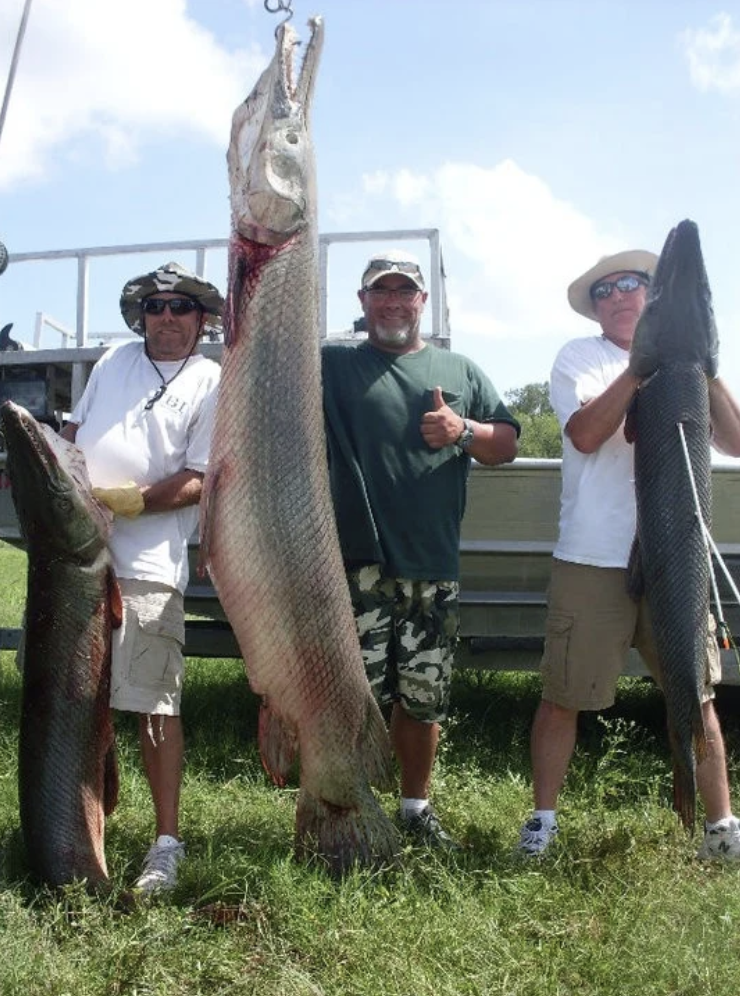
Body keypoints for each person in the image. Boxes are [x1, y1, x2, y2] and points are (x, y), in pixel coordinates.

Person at [517, 249, 740, 860]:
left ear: (651, 295)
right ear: (595, 308)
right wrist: (640, 371)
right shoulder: (580, 358)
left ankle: (720, 828)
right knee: (564, 695)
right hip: (592, 559)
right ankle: (542, 825)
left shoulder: (692, 366)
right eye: (604, 290)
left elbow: (735, 440)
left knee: (697, 694)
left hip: (680, 559)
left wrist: (707, 369)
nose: (617, 295)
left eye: (630, 284)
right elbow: (587, 434)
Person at [322, 249, 520, 848]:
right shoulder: (331, 364)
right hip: (354, 567)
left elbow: (506, 444)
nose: (392, 302)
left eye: (404, 291)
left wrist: (464, 431)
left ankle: (414, 808)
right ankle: (348, 808)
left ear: (422, 301)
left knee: (424, 697)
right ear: (362, 302)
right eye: (380, 291)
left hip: (432, 566)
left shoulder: (459, 370)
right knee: (353, 700)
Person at [61, 261, 223, 893]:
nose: (167, 317)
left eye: (181, 307)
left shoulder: (211, 379)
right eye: (155, 307)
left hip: (149, 566)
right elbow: (73, 433)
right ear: (141, 317)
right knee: (74, 700)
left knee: (153, 705)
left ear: (202, 319)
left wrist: (132, 501)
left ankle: (166, 843)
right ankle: (77, 827)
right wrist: (64, 480)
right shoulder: (112, 361)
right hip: (75, 560)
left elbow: (201, 478)